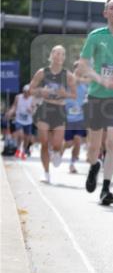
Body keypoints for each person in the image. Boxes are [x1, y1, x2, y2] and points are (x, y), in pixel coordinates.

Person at [78, 0, 113, 205]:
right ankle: (94, 165)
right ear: (105, 13)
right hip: (97, 95)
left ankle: (106, 188)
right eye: (111, 8)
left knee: (112, 141)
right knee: (94, 147)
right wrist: (102, 80)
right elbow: (83, 65)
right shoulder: (96, 36)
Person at [29, 45, 76, 183]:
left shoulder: (68, 75)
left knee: (56, 144)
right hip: (45, 108)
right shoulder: (42, 72)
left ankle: (56, 151)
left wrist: (65, 94)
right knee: (44, 142)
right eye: (56, 53)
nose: (59, 56)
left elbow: (74, 95)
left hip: (59, 110)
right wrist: (40, 91)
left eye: (62, 54)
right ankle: (46, 173)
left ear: (64, 58)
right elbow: (31, 89)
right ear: (51, 55)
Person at [64, 67, 88, 173]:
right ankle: (59, 151)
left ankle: (72, 164)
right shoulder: (67, 86)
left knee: (78, 140)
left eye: (80, 74)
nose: (78, 77)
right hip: (68, 119)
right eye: (76, 74)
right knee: (69, 143)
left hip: (80, 119)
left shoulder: (85, 87)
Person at [8, 85, 35, 159]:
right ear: (23, 91)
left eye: (28, 92)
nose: (26, 94)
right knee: (20, 135)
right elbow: (14, 106)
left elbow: (34, 109)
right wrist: (10, 112)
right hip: (19, 120)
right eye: (25, 92)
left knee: (26, 138)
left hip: (28, 121)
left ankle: (24, 151)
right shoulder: (18, 97)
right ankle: (18, 149)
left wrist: (31, 110)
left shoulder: (32, 99)